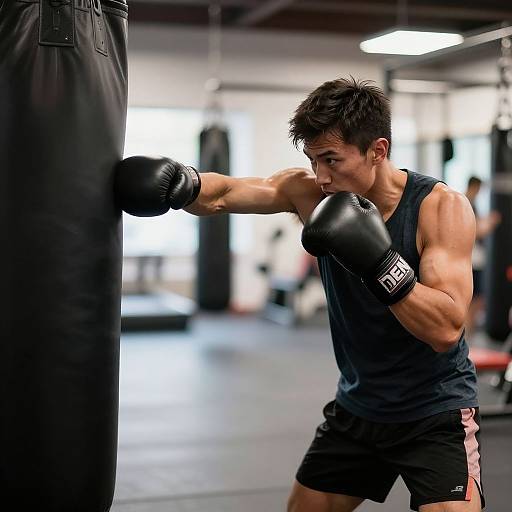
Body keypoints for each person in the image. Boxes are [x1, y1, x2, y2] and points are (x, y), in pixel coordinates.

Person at [115, 78, 483, 511]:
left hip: (433, 410)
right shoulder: (310, 192)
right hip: (358, 406)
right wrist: (182, 183)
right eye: (312, 160)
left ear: (378, 150)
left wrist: (380, 261)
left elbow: (445, 329)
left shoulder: (440, 207)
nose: (321, 176)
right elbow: (227, 193)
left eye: (332, 159)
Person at [464, 176, 501, 337]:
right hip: (471, 259)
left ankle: (468, 333)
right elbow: (476, 231)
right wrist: (491, 223)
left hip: (475, 259)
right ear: (474, 187)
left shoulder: (471, 204)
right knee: (472, 299)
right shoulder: (465, 203)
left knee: (477, 299)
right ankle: (466, 334)